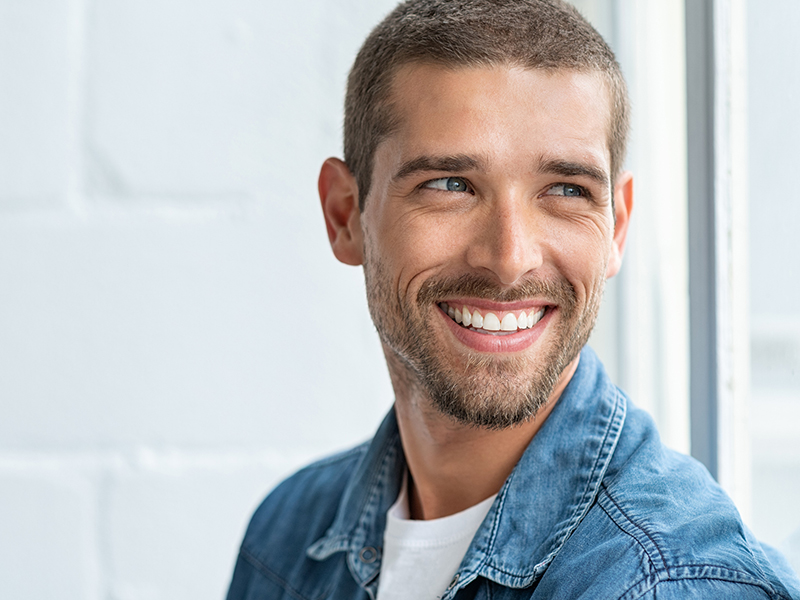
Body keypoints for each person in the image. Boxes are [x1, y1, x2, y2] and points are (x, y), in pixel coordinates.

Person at [226, 1, 800, 598]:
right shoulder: (285, 539)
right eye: (450, 185)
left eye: (565, 190)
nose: (508, 258)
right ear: (346, 216)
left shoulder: (665, 584)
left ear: (616, 229)